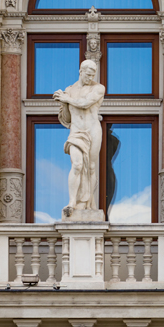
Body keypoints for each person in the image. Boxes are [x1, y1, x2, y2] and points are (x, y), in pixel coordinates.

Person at [53, 59, 105, 218]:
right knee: (76, 164)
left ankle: (90, 203)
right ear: (80, 72)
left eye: (92, 75)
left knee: (91, 167)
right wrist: (61, 104)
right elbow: (67, 118)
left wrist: (66, 99)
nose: (90, 78)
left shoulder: (98, 88)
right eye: (87, 75)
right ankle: (72, 203)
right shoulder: (69, 90)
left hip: (93, 130)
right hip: (76, 131)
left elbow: (85, 103)